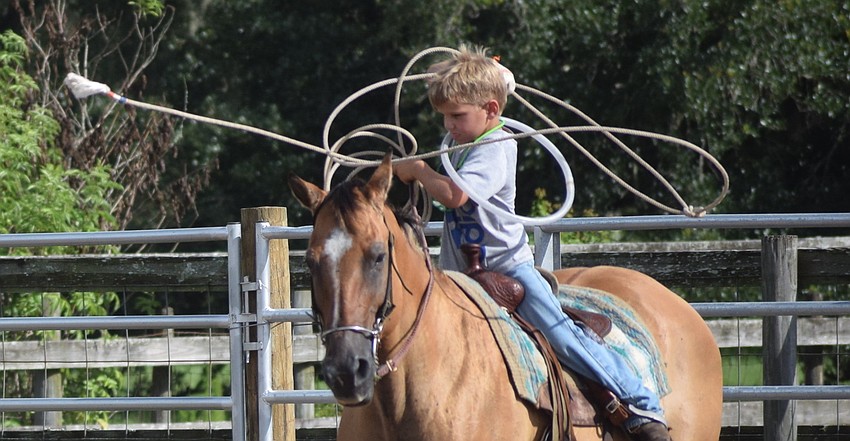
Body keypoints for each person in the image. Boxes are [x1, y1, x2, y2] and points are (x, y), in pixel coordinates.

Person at [393, 45, 672, 441]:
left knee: (560, 333)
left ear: (491, 110)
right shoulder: (461, 147)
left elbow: (456, 196)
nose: (449, 126)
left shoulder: (496, 146)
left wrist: (418, 170)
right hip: (459, 273)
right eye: (445, 118)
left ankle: (640, 404)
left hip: (508, 268)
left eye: (457, 116)